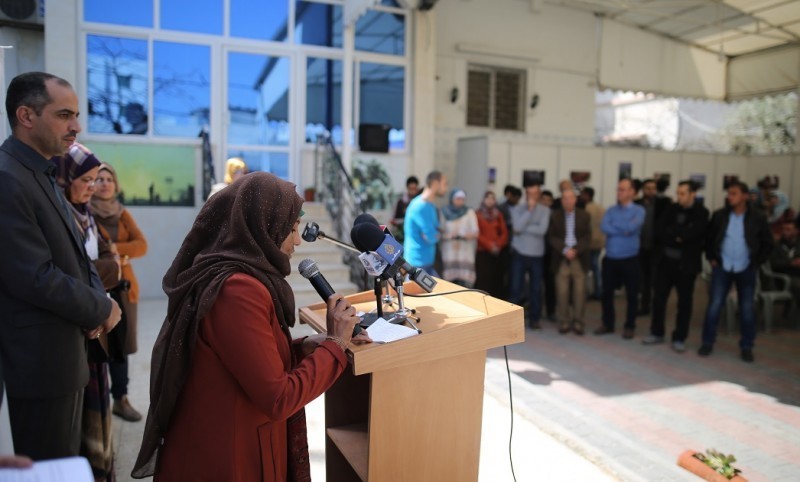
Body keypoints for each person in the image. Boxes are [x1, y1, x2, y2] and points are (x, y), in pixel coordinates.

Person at [132, 172, 371, 480]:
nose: (298, 240)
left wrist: (305, 347)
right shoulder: (237, 290)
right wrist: (335, 345)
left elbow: (247, 360)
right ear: (261, 226)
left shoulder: (240, 277)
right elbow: (279, 398)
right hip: (227, 458)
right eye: (291, 228)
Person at [0, 72, 121, 460]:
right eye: (64, 115)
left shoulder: (43, 171)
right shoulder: (8, 178)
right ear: (26, 116)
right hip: (38, 366)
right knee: (48, 466)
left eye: (76, 115)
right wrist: (101, 307)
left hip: (64, 356)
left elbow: (77, 254)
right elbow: (33, 276)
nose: (76, 127)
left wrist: (97, 302)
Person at [54, 143, 121, 481]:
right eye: (86, 179)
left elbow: (109, 262)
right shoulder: (59, 216)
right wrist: (106, 268)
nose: (93, 187)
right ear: (65, 178)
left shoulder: (86, 216)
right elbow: (74, 272)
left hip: (96, 320)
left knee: (97, 399)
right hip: (79, 324)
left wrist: (104, 268)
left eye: (97, 179)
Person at [91, 162, 149, 422]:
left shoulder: (121, 212)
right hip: (98, 287)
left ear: (115, 184)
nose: (104, 183)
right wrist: (115, 254)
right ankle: (99, 402)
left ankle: (121, 399)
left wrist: (116, 250)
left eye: (109, 179)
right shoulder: (84, 212)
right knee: (98, 344)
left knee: (120, 346)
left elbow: (142, 245)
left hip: (124, 288)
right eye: (99, 179)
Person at [699, 181, 773, 363]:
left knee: (747, 308)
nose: (729, 197)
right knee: (714, 305)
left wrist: (756, 262)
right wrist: (712, 257)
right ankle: (707, 342)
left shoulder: (757, 217)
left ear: (745, 196)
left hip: (746, 267)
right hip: (722, 267)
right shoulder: (719, 215)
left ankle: (747, 346)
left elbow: (767, 243)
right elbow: (709, 239)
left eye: (734, 193)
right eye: (729, 193)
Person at [643, 180, 709, 352]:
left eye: (683, 193)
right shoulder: (671, 209)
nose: (679, 197)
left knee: (684, 303)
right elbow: (660, 229)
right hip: (665, 263)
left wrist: (676, 234)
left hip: (686, 266)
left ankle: (679, 337)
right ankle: (657, 332)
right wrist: (677, 236)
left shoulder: (701, 212)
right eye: (678, 193)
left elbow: (694, 234)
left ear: (693, 194)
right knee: (659, 299)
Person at [595, 178, 645, 339]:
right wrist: (624, 229)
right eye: (618, 189)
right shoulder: (611, 210)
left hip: (630, 259)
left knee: (632, 294)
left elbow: (632, 227)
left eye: (622, 189)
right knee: (606, 294)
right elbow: (604, 226)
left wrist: (617, 226)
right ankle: (608, 323)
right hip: (610, 258)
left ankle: (630, 326)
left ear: (632, 192)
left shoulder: (639, 211)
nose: (618, 192)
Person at [547, 189, 591, 335]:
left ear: (575, 199)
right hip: (561, 258)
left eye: (570, 198)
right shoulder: (555, 215)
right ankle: (564, 321)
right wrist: (565, 249)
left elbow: (587, 237)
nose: (568, 201)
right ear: (561, 201)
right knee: (562, 292)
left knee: (579, 292)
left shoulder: (584, 215)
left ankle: (578, 322)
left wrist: (575, 250)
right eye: (565, 198)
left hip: (579, 258)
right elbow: (552, 237)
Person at [510, 183, 551, 329]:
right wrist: (529, 211)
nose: (532, 197)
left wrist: (524, 227)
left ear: (539, 195)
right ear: (526, 194)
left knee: (536, 289)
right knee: (515, 288)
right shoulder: (517, 209)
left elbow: (542, 230)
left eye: (535, 194)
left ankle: (535, 319)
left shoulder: (545, 210)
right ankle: (512, 321)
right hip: (519, 253)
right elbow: (516, 227)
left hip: (536, 255)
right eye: (529, 193)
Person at [635, 179, 670, 316]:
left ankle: (657, 306)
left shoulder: (664, 204)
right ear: (643, 190)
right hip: (640, 247)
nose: (651, 191)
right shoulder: (636, 204)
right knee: (643, 279)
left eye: (653, 188)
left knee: (656, 279)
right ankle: (645, 306)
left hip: (657, 247)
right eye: (648, 188)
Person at [404, 170, 448, 276]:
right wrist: (441, 234)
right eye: (444, 184)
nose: (446, 188)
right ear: (435, 184)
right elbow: (431, 237)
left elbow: (437, 231)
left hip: (427, 264)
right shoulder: (420, 206)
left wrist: (438, 233)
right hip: (417, 265)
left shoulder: (430, 205)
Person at [441, 189, 479, 287]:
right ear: (452, 199)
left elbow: (475, 232)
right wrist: (450, 235)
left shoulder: (469, 212)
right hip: (450, 253)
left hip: (465, 254)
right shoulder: (444, 212)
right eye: (458, 198)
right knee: (449, 286)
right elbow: (440, 231)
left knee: (465, 286)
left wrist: (462, 235)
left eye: (462, 199)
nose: (460, 201)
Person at [475, 191, 509, 298]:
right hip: (483, 253)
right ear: (483, 200)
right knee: (484, 280)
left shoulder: (498, 214)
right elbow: (477, 233)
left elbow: (504, 233)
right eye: (487, 198)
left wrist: (498, 245)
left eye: (492, 198)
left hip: (496, 253)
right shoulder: (478, 214)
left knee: (496, 280)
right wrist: (490, 246)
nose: (490, 200)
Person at [580, 187, 605, 300]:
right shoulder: (601, 208)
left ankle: (588, 291)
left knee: (587, 268)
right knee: (596, 267)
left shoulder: (586, 209)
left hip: (589, 242)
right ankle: (598, 290)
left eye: (582, 194)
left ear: (587, 195)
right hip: (599, 241)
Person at [770, 219, 800, 299]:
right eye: (783, 229)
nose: (784, 232)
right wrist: (791, 263)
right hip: (783, 278)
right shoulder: (776, 247)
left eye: (788, 230)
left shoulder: (798, 246)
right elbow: (773, 263)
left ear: (796, 231)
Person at [390, 175, 420, 242]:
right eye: (410, 189)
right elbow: (394, 219)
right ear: (407, 188)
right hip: (403, 235)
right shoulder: (401, 202)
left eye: (414, 189)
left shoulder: (420, 203)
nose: (412, 191)